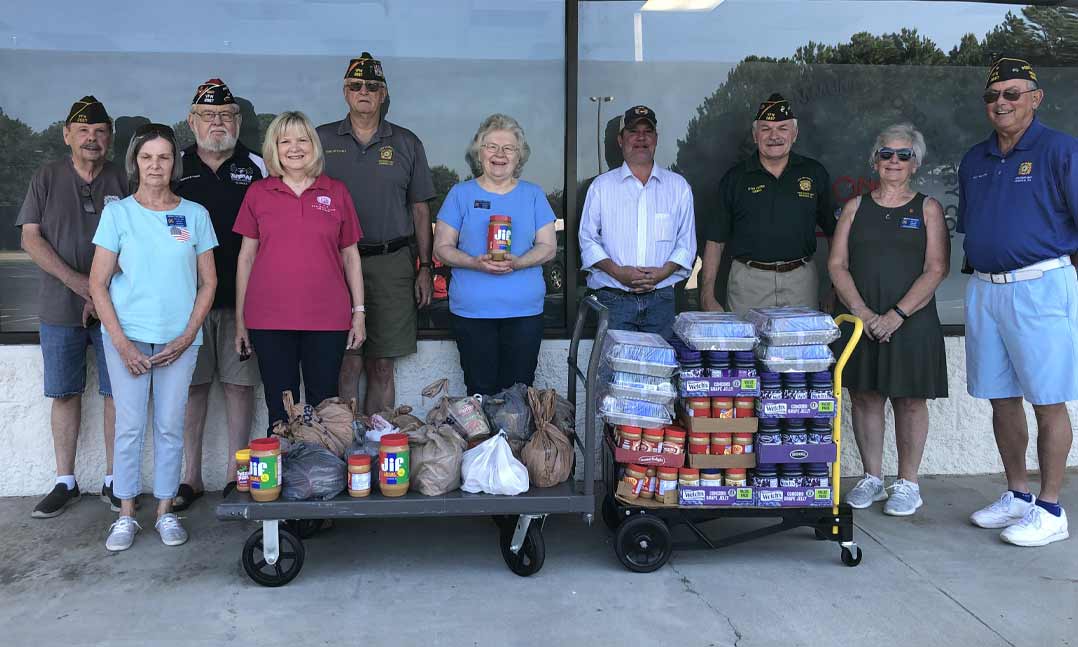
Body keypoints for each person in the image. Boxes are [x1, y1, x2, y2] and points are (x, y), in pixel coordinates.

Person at [959, 58, 1076, 547]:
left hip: (1040, 285)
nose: (1001, 102)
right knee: (1000, 396)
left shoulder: (1061, 149)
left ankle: (1050, 509)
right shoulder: (975, 159)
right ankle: (1018, 494)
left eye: (1012, 93)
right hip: (985, 288)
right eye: (993, 96)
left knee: (1047, 399)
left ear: (1035, 98)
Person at [89, 123, 218, 551]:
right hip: (126, 338)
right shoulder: (118, 214)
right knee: (128, 427)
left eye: (164, 157)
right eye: (147, 157)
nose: (155, 165)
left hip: (178, 341)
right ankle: (125, 514)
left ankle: (165, 511)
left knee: (169, 425)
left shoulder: (195, 215)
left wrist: (187, 335)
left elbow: (208, 283)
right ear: (136, 162)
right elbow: (98, 284)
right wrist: (121, 343)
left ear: (174, 163)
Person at [828, 123, 949, 517]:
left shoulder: (928, 208)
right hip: (863, 320)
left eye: (903, 155)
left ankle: (908, 483)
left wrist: (896, 315)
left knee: (910, 400)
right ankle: (872, 478)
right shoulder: (855, 207)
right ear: (874, 160)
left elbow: (936, 269)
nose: (894, 161)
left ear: (915, 163)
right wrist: (863, 314)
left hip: (912, 320)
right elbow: (837, 264)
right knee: (864, 396)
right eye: (886, 153)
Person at [17, 96, 127, 518]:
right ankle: (65, 480)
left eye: (99, 131)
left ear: (110, 137)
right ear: (67, 135)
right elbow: (30, 238)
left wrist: (101, 292)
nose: (91, 138)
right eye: (82, 131)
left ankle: (116, 480)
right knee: (64, 392)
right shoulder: (46, 177)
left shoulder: (124, 178)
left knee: (117, 393)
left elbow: (138, 240)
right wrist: (81, 286)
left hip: (115, 306)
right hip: (60, 306)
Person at [317, 52, 435, 414]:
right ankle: (346, 442)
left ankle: (380, 443)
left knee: (382, 364)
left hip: (391, 263)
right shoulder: (320, 139)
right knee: (347, 361)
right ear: (345, 92)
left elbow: (420, 209)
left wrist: (426, 267)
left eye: (372, 86)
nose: (364, 92)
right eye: (356, 85)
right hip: (334, 263)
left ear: (383, 94)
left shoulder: (406, 142)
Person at [235, 111, 366, 428]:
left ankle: (321, 463)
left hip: (327, 318)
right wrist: (240, 320)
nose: (294, 148)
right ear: (274, 148)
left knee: (325, 408)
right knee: (280, 410)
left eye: (302, 140)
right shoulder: (258, 193)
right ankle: (283, 462)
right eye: (285, 141)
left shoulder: (336, 192)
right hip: (269, 318)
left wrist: (359, 313)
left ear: (314, 146)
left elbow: (350, 256)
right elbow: (246, 258)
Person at [175, 79, 265, 507]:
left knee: (239, 387)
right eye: (208, 115)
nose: (218, 122)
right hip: (185, 302)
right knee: (191, 388)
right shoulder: (175, 164)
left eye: (226, 115)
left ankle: (235, 473)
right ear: (192, 121)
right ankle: (190, 477)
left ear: (238, 121)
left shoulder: (258, 165)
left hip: (242, 301)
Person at [433, 114, 556, 395]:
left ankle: (513, 429)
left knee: (519, 394)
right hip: (473, 311)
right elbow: (441, 247)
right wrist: (473, 262)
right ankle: (484, 428)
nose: (499, 154)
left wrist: (520, 262)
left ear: (519, 156)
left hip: (524, 312)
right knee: (480, 391)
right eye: (491, 146)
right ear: (479, 152)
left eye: (508, 148)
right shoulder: (460, 194)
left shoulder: (533, 195)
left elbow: (548, 246)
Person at [700, 93, 836, 315]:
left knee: (800, 339)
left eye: (782, 128)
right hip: (748, 284)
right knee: (746, 338)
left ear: (795, 134)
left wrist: (834, 287)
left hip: (801, 281)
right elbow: (715, 240)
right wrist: (707, 293)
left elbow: (834, 234)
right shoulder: (735, 179)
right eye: (766, 129)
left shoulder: (814, 173)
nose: (774, 136)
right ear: (755, 135)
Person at [578, 105, 696, 339]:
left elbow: (686, 243)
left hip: (661, 300)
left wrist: (661, 273)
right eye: (633, 131)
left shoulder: (678, 187)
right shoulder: (601, 187)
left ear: (656, 139)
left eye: (647, 131)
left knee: (660, 363)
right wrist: (618, 272)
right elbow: (587, 239)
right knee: (615, 363)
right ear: (620, 140)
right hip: (613, 299)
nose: (641, 138)